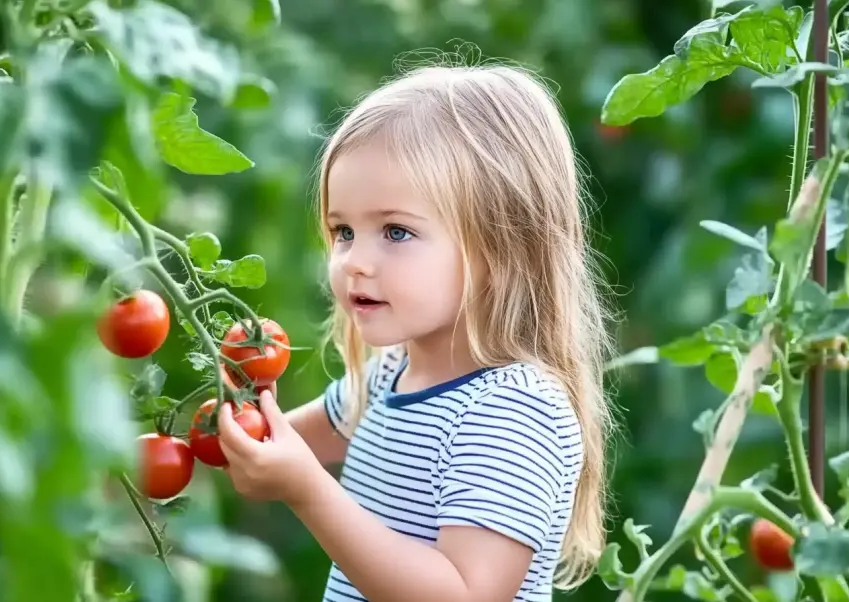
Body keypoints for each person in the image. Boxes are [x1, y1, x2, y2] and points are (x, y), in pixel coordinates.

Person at [216, 58, 618, 602]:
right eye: (343, 231)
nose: (355, 260)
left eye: (396, 231)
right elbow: (276, 447)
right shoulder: (388, 377)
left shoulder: (516, 410)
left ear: (500, 248)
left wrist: (306, 490)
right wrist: (242, 402)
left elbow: (464, 595)